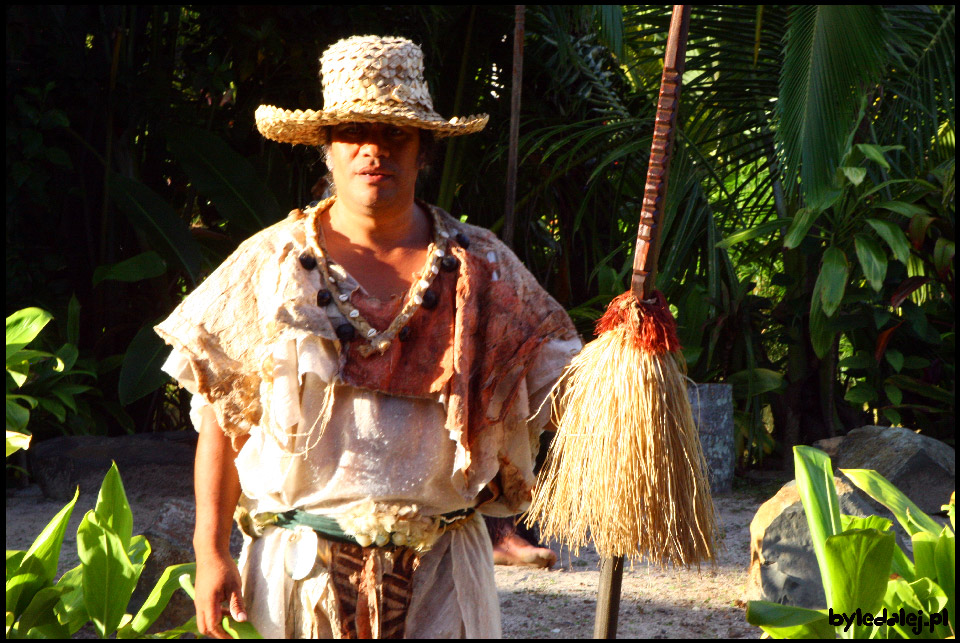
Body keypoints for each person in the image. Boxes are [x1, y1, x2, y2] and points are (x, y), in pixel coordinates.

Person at [155, 34, 580, 639]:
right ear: (327, 150)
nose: (373, 150)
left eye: (396, 133)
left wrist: (633, 346)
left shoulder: (482, 269)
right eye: (353, 132)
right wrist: (212, 553)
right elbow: (223, 423)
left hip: (444, 579)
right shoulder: (272, 264)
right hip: (297, 576)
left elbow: (568, 389)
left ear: (424, 150)